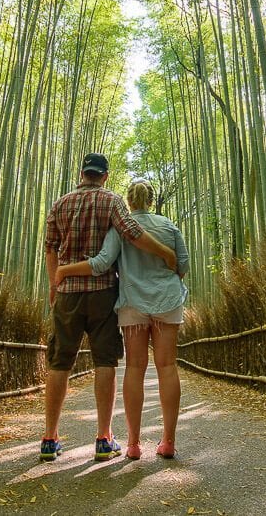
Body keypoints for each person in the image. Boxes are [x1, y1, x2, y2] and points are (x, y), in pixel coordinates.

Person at [41, 154, 176, 463]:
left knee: (60, 362)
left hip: (67, 294)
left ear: (81, 173)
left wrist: (54, 284)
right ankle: (104, 438)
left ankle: (49, 438)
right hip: (102, 292)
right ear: (104, 176)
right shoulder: (112, 201)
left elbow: (49, 247)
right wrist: (165, 252)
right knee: (105, 362)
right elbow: (133, 233)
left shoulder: (60, 203)